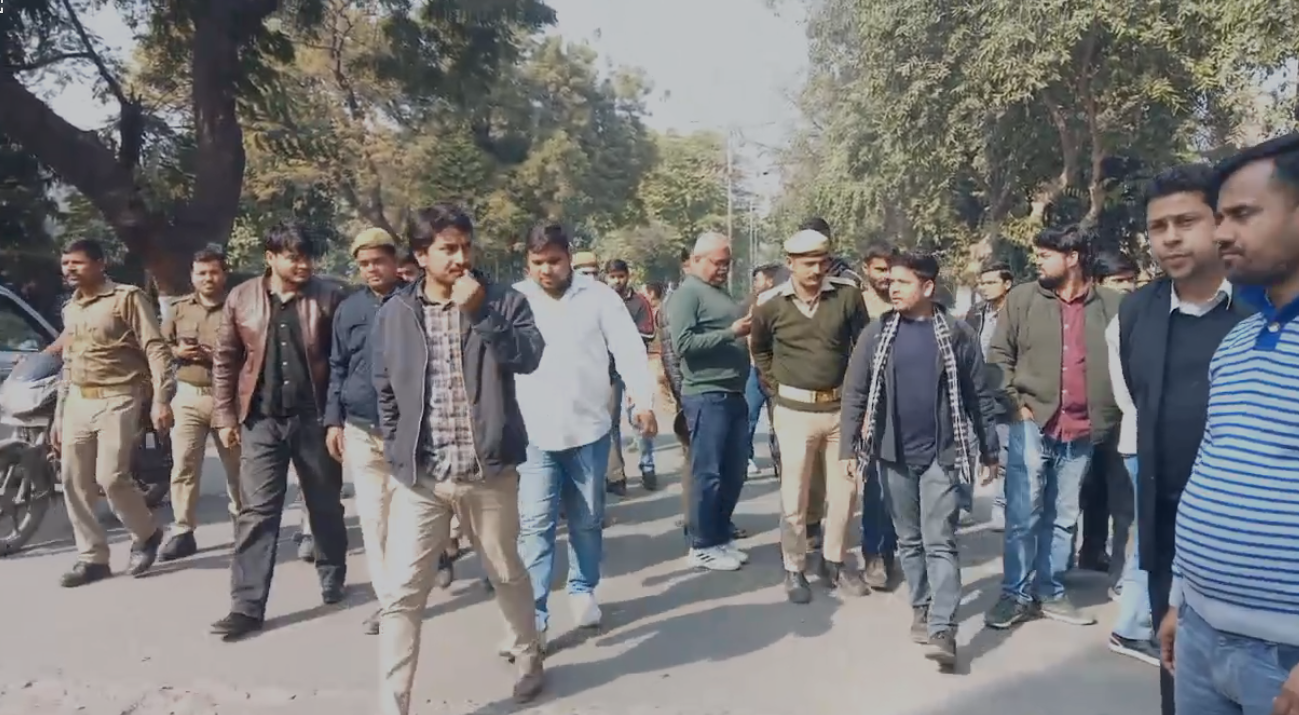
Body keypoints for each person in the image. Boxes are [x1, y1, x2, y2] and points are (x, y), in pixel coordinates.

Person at [370, 204, 546, 713]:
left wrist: (482, 313)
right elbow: (385, 388)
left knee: (506, 572)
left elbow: (528, 357)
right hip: (422, 478)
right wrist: (397, 449)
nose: (461, 258)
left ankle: (528, 655)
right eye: (448, 249)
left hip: (487, 471)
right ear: (421, 255)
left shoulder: (503, 300)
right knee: (403, 593)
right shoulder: (396, 313)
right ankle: (393, 703)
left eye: (466, 247)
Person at [1156, 137, 1299, 715]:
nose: (1221, 234)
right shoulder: (1239, 341)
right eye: (1219, 218)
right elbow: (1211, 464)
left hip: (1283, 659)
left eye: (1243, 215)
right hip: (1200, 634)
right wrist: (1180, 596)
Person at [1107, 164, 1249, 692]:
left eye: (1186, 222)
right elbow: (1135, 398)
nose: (1170, 238)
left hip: (1249, 537)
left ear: (1219, 222)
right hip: (1169, 535)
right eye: (1157, 227)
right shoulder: (1136, 312)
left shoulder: (1262, 308)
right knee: (1181, 679)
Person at [841, 250, 999, 667]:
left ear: (928, 287)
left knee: (940, 539)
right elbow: (856, 392)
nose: (892, 287)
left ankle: (944, 628)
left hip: (942, 454)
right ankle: (922, 606)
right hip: (892, 454)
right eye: (890, 281)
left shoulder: (957, 334)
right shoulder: (878, 333)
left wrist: (989, 449)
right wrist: (848, 449)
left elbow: (978, 395)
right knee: (909, 540)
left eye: (902, 282)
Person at [513, 225, 656, 643]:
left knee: (587, 519)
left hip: (589, 429)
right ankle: (534, 616)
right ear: (527, 262)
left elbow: (628, 349)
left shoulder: (599, 297)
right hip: (534, 433)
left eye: (554, 261)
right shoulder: (515, 299)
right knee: (535, 525)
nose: (546, 270)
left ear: (569, 258)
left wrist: (642, 401)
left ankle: (582, 588)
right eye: (537, 262)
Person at [209, 224, 349, 641]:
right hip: (261, 420)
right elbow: (226, 359)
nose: (304, 265)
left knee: (324, 505)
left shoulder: (330, 296)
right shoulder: (242, 297)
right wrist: (225, 416)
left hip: (314, 420)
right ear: (270, 258)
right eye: (294, 257)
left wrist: (337, 419)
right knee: (256, 512)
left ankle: (332, 572)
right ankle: (246, 607)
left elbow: (341, 363)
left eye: (308, 257)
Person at [984, 224, 1123, 630]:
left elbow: (1128, 363)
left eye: (1046, 256)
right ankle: (1015, 595)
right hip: (1032, 422)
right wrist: (1015, 406)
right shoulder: (1023, 299)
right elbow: (998, 356)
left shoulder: (1112, 305)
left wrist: (1108, 417)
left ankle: (1050, 591)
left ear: (1073, 258)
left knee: (1064, 516)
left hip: (1082, 429)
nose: (1038, 262)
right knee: (1023, 514)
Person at [751, 229, 869, 602]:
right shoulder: (770, 304)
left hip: (840, 410)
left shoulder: (847, 296)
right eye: (808, 264)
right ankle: (794, 567)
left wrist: (859, 400)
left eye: (822, 262)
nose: (816, 270)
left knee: (846, 490)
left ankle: (834, 561)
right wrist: (776, 387)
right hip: (794, 412)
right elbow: (760, 349)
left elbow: (864, 347)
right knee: (796, 493)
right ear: (790, 264)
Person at [52, 238, 172, 587]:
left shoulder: (127, 298)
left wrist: (162, 398)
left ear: (100, 263)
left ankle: (146, 534)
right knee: (73, 480)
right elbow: (69, 362)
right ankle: (92, 558)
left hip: (119, 396)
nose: (70, 269)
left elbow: (155, 348)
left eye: (77, 263)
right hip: (78, 398)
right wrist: (60, 414)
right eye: (66, 263)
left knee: (111, 477)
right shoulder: (71, 308)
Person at [322, 228, 407, 635]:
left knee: (410, 520)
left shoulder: (415, 301)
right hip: (360, 428)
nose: (372, 269)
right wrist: (333, 420)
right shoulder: (349, 308)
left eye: (379, 261)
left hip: (408, 431)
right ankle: (390, 604)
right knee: (374, 522)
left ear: (395, 261)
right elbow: (337, 366)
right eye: (365, 264)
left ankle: (428, 570)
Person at [666, 232, 752, 571]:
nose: (724, 269)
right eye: (718, 263)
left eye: (728, 263)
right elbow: (683, 344)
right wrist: (732, 333)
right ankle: (701, 544)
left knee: (734, 470)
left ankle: (719, 536)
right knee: (708, 473)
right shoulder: (687, 294)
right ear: (697, 260)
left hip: (732, 392)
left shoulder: (717, 292)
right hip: (706, 394)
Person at [158, 249, 241, 562]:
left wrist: (213, 355)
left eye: (214, 272)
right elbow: (161, 347)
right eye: (201, 273)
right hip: (189, 395)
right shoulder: (179, 309)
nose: (208, 278)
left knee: (237, 466)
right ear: (192, 276)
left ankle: (243, 522)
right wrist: (178, 352)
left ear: (224, 274)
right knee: (184, 465)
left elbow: (252, 350)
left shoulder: (238, 306)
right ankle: (183, 530)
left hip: (228, 397)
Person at [1077, 248, 1141, 576]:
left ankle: (1121, 571)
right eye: (1119, 281)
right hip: (1085, 418)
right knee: (1088, 492)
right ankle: (1088, 551)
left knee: (1123, 499)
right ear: (1098, 282)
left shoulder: (1140, 315)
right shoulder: (1082, 316)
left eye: (1132, 280)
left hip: (1124, 420)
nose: (1128, 287)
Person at [858, 239, 900, 589]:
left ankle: (896, 548)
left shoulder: (907, 299)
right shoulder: (857, 305)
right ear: (866, 269)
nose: (886, 277)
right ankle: (875, 553)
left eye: (891, 269)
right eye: (880, 270)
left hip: (907, 404)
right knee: (876, 484)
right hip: (869, 405)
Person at [965, 260, 1014, 531]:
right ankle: (963, 505)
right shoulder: (976, 313)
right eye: (982, 283)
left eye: (991, 282)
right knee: (966, 450)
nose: (984, 288)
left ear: (1007, 284)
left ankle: (1001, 507)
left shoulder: (1018, 313)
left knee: (1004, 454)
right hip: (974, 392)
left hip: (1005, 393)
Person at [603, 258, 658, 492]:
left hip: (634, 370)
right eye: (612, 277)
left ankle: (648, 467)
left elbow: (648, 332)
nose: (617, 281)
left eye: (620, 276)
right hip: (609, 371)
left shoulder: (639, 302)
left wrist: (622, 334)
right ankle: (617, 476)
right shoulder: (601, 301)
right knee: (611, 422)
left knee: (639, 418)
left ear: (628, 276)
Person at [744, 264, 783, 477]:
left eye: (758, 280)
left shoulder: (783, 303)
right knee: (749, 415)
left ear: (770, 280)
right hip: (754, 370)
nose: (755, 284)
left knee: (779, 418)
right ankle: (745, 457)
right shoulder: (753, 304)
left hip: (778, 371)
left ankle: (780, 459)